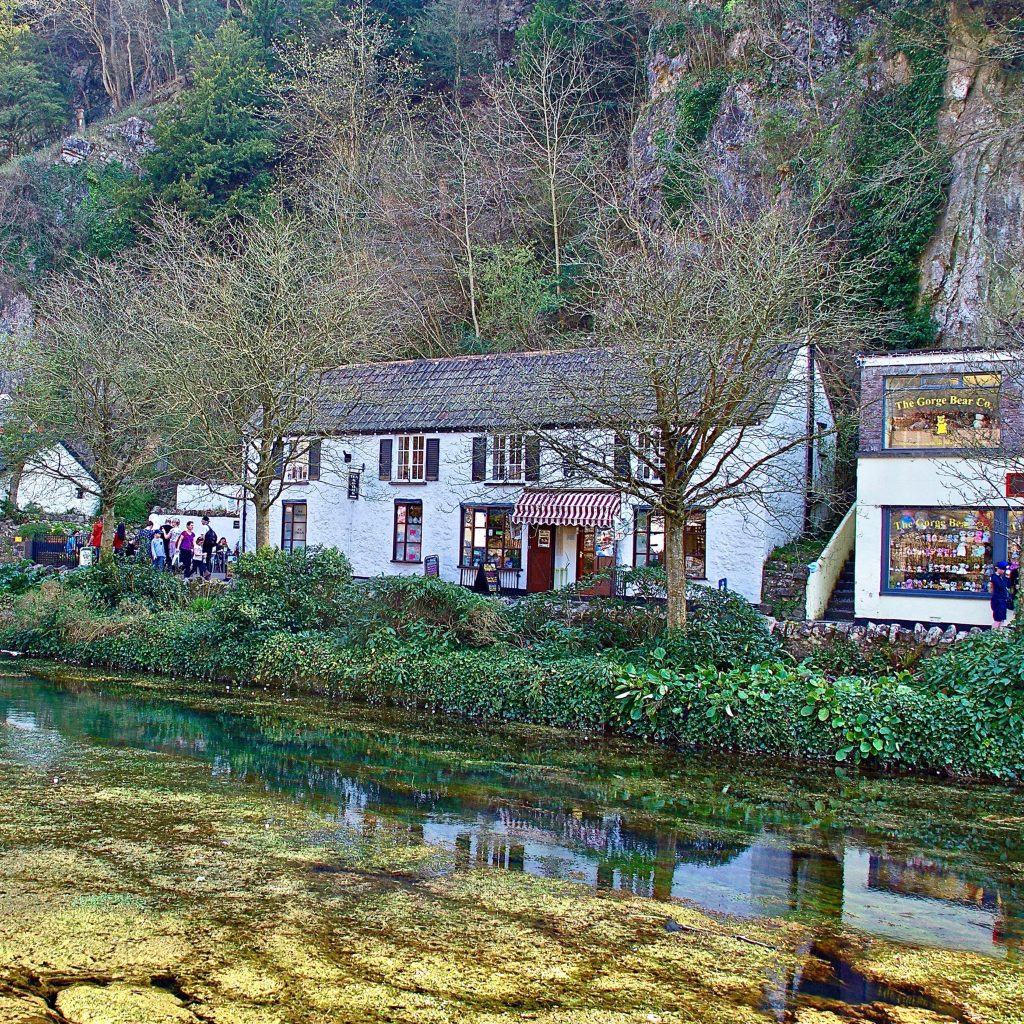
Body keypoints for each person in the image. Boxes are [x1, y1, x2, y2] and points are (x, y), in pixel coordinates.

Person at [990, 560, 1010, 630]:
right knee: (997, 619)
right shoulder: (994, 577)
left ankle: (1001, 634)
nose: (1004, 571)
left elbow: (1008, 585)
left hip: (1003, 600)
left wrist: (1007, 577)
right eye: (1003, 570)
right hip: (997, 600)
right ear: (999, 569)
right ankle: (994, 634)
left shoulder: (1003, 577)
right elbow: (1000, 586)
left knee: (1002, 619)